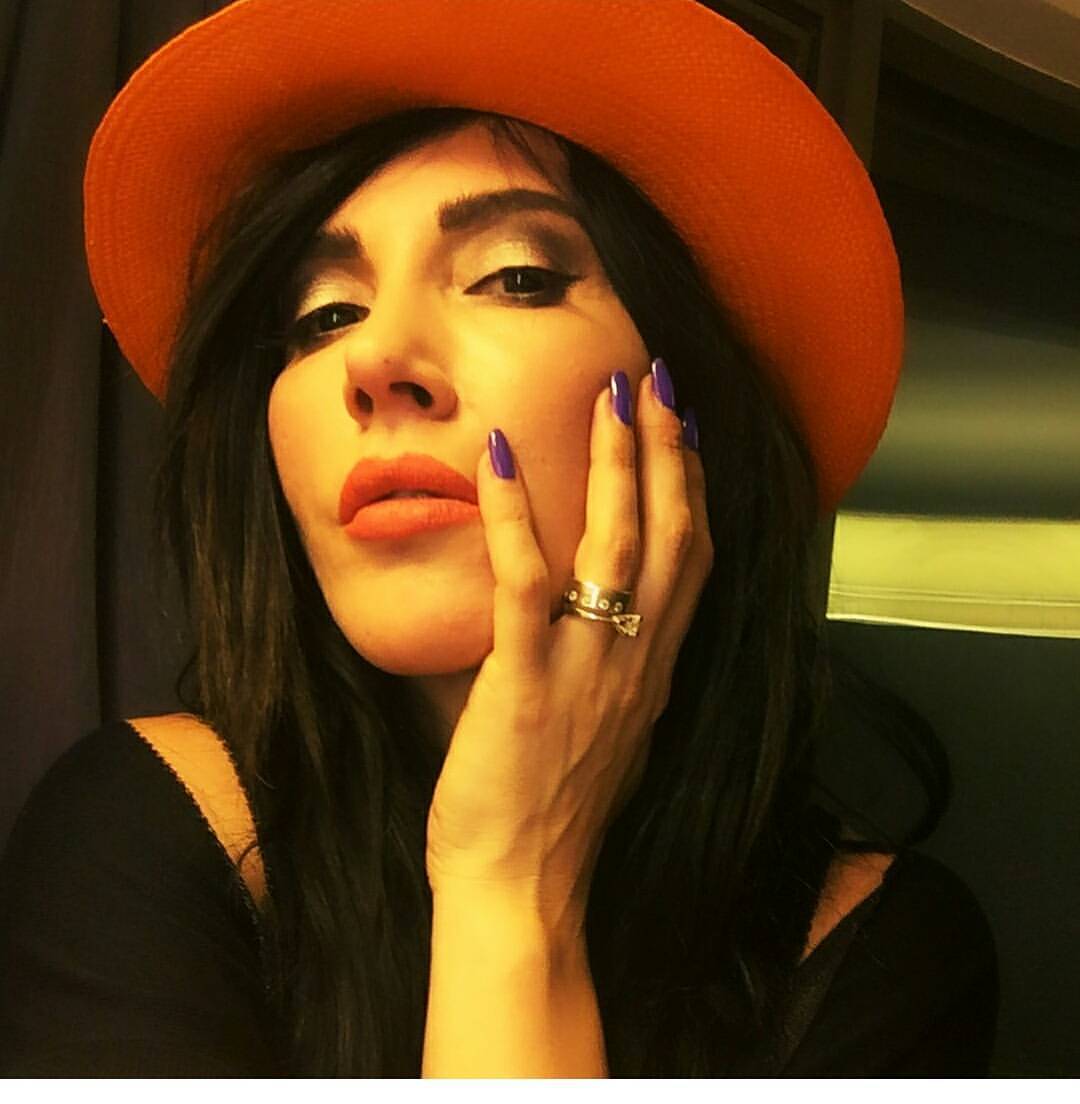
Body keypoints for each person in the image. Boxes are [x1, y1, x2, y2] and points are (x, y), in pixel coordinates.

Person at [0, 0, 998, 1078]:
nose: (373, 361)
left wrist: (516, 888)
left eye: (516, 276)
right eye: (324, 314)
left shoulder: (885, 952)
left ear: (690, 410)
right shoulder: (142, 833)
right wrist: (505, 882)